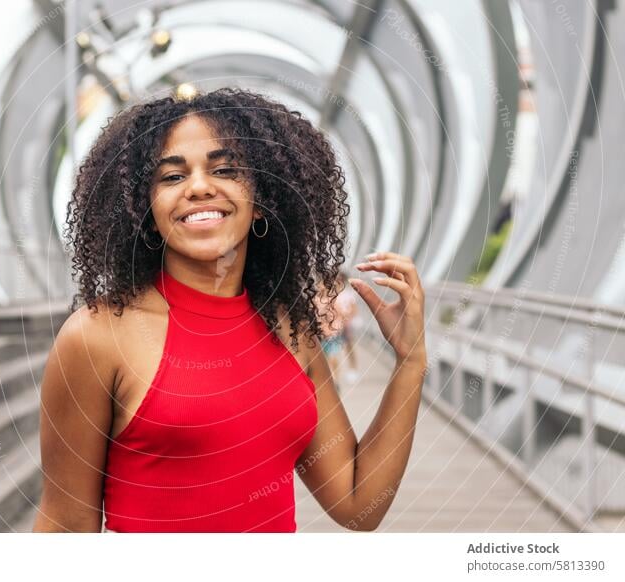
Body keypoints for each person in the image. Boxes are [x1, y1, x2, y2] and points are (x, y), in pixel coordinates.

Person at [32, 87, 427, 533]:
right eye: (172, 177)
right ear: (146, 209)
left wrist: (410, 362)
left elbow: (359, 503)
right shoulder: (96, 337)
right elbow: (65, 524)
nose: (200, 187)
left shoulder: (289, 329)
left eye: (224, 169)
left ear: (262, 201)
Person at [315, 273, 360, 393]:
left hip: (334, 333)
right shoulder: (316, 300)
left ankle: (336, 380)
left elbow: (346, 312)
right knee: (326, 357)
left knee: (334, 356)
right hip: (321, 334)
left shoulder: (336, 300)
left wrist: (343, 322)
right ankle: (330, 379)